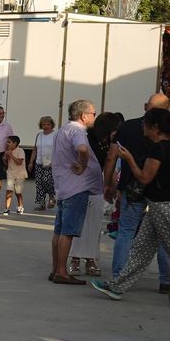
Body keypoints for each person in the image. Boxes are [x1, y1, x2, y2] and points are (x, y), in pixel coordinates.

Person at [93, 107, 170, 301]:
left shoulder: (159, 149)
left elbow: (144, 178)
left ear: (156, 127)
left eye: (146, 124)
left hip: (162, 204)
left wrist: (129, 160)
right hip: (156, 203)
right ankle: (118, 285)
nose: (142, 126)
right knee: (141, 249)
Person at [49, 99, 101, 285]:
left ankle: (55, 269)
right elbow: (82, 148)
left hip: (64, 187)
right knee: (68, 232)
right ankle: (62, 272)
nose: (95, 116)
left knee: (60, 231)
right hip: (76, 187)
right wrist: (84, 164)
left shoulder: (62, 130)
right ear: (83, 116)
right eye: (93, 113)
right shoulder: (78, 131)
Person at [71, 111, 121, 277]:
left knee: (94, 225)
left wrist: (110, 185)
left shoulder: (109, 142)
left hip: (97, 185)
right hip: (79, 184)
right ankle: (75, 259)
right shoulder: (85, 137)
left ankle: (90, 258)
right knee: (79, 224)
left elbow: (110, 164)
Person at [32, 116, 57, 211]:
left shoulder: (55, 135)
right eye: (44, 124)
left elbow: (58, 150)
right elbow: (35, 149)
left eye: (48, 124)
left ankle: (51, 197)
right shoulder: (39, 135)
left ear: (52, 125)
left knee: (47, 181)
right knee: (39, 183)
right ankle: (41, 203)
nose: (46, 126)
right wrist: (31, 162)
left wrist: (53, 162)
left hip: (51, 163)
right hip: (39, 162)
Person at [2, 135, 27, 215]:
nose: (7, 144)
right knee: (9, 190)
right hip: (10, 173)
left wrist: (11, 155)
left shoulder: (20, 151)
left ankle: (20, 206)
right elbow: (6, 164)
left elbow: (19, 162)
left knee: (18, 192)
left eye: (9, 142)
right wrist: (4, 158)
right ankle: (7, 208)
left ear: (15, 143)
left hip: (20, 174)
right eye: (7, 142)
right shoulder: (7, 151)